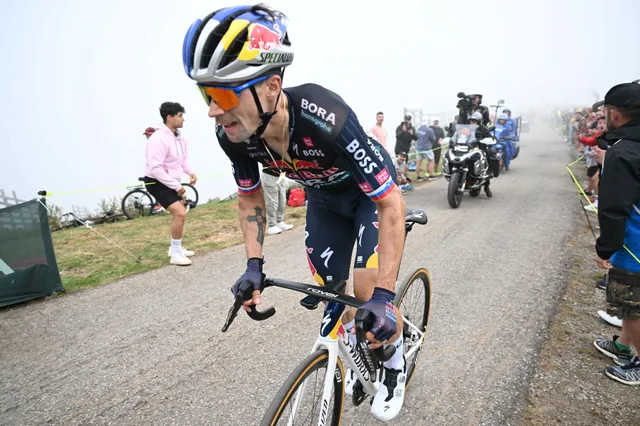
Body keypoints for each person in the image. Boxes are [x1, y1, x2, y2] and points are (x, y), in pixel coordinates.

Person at [182, 4, 408, 419]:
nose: (213, 110)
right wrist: (254, 263)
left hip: (367, 199)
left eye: (223, 94)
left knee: (365, 294)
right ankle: (356, 341)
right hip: (324, 201)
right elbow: (250, 197)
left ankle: (394, 364)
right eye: (205, 94)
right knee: (328, 287)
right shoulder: (233, 135)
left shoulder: (327, 118)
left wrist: (385, 296)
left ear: (271, 87)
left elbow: (390, 201)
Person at [591, 81, 640, 385]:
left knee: (632, 307)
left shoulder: (623, 154)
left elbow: (613, 208)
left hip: (633, 246)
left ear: (616, 115)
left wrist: (604, 248)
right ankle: (622, 345)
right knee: (628, 303)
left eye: (607, 112)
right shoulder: (628, 146)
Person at [144, 102, 197, 266]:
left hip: (171, 181)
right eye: (180, 116)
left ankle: (176, 248)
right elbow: (155, 168)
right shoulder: (158, 139)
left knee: (180, 214)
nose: (183, 119)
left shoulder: (179, 138)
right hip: (156, 181)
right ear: (169, 118)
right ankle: (175, 254)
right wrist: (176, 186)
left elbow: (183, 159)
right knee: (180, 213)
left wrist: (190, 172)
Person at [261, 168, 294, 235]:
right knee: (272, 202)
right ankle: (272, 225)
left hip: (280, 175)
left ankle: (279, 222)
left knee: (282, 200)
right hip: (269, 175)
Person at [468, 112, 493, 197]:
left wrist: (489, 139)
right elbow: (458, 135)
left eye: (474, 121)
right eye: (471, 121)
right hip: (468, 149)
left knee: (487, 158)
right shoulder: (466, 129)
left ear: (478, 121)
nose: (472, 122)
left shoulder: (483, 129)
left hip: (480, 148)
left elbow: (489, 137)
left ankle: (487, 186)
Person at [143, 127, 164, 214]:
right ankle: (159, 205)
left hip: (153, 172)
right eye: (147, 135)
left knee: (161, 188)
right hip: (151, 173)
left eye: (148, 135)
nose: (147, 136)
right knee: (157, 188)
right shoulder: (151, 145)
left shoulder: (154, 144)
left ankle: (160, 205)